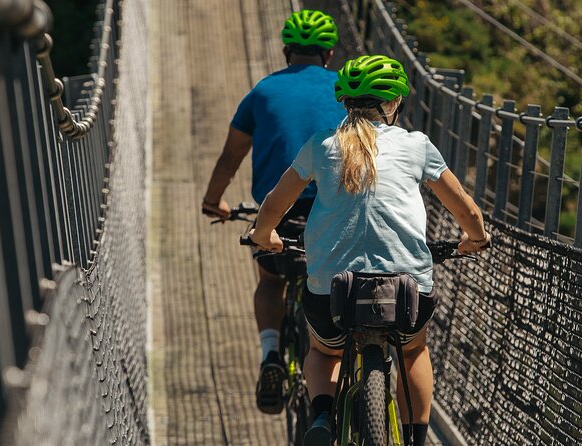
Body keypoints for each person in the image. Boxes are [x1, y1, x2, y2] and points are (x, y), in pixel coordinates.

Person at [249, 54, 491, 445]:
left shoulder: (321, 145)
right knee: (412, 351)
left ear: (343, 102)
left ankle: (323, 418)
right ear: (395, 102)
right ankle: (415, 438)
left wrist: (265, 235)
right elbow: (465, 207)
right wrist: (476, 238)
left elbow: (275, 205)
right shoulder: (418, 146)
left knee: (325, 352)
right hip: (406, 290)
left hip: (332, 291)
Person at [201, 10, 346, 415]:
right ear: (330, 53)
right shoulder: (346, 90)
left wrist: (213, 200)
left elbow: (232, 155)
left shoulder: (261, 92)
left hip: (277, 214)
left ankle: (270, 355)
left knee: (270, 281)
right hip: (335, 213)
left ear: (285, 51)